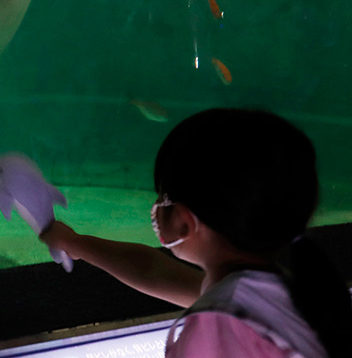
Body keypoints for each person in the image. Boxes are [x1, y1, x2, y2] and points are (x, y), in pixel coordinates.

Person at [40, 108, 351, 357]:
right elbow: (153, 272)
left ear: (183, 221)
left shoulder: (221, 325)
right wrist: (74, 243)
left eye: (161, 197)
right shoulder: (295, 285)